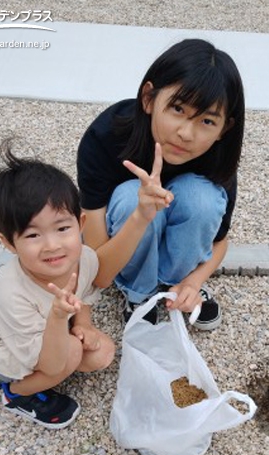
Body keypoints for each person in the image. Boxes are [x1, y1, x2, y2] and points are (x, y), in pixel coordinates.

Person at [0, 140, 148, 429]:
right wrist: (61, 320)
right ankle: (16, 394)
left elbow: (87, 290)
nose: (52, 246)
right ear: (8, 243)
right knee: (70, 354)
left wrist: (83, 325)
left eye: (63, 228)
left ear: (80, 223)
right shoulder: (10, 292)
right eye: (32, 235)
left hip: (45, 333)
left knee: (103, 353)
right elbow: (50, 363)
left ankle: (63, 354)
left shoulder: (82, 258)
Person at [77, 38, 245, 330]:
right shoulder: (105, 138)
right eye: (177, 109)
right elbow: (97, 273)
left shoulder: (217, 158)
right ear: (149, 99)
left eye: (206, 121)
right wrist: (141, 216)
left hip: (183, 270)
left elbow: (219, 241)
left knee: (202, 198)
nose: (186, 133)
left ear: (223, 130)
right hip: (126, 236)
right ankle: (138, 292)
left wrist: (193, 281)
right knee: (131, 196)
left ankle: (175, 286)